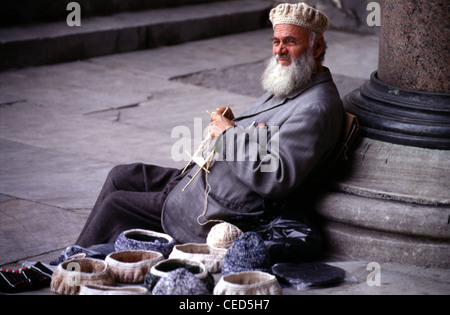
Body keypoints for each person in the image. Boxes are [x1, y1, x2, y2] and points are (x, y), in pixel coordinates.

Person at [76, 2, 344, 250]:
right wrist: (234, 124)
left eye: (290, 42)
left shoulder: (315, 108)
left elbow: (277, 177)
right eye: (276, 41)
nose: (279, 50)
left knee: (116, 205)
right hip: (201, 183)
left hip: (216, 208)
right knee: (120, 174)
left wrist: (228, 133)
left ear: (317, 47)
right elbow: (267, 136)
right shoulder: (296, 81)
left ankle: (71, 267)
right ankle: (83, 255)